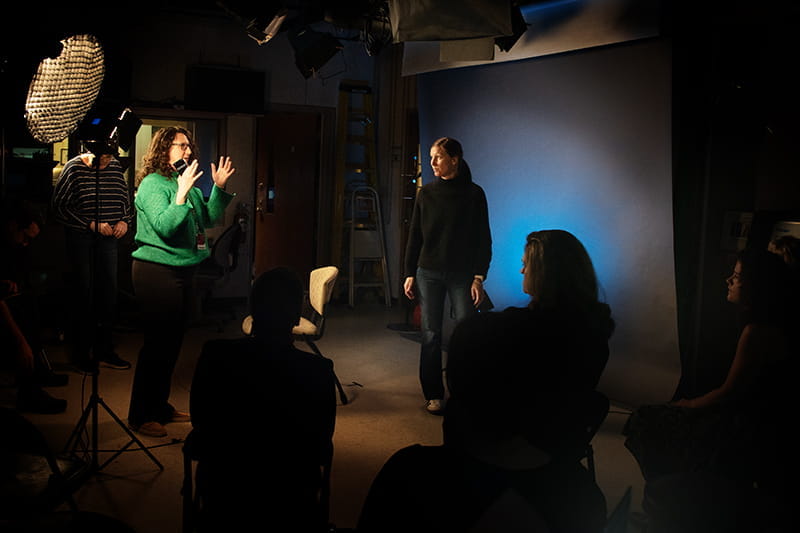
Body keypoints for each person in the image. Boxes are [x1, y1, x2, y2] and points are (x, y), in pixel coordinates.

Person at [359, 230, 613, 532]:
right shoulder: (594, 337)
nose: (521, 270)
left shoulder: (516, 334)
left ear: (546, 273)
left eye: (526, 264)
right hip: (555, 450)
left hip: (507, 453)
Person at [624, 248, 795, 532]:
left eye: (737, 276)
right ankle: (669, 503)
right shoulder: (767, 326)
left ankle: (672, 506)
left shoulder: (758, 332)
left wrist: (687, 406)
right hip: (758, 422)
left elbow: (730, 392)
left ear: (758, 287)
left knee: (646, 421)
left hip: (753, 429)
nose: (729, 280)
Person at [189, 267, 337, 532]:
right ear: (295, 316)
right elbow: (322, 438)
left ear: (252, 309)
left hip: (223, 490)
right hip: (293, 495)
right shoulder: (319, 371)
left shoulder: (215, 355)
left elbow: (199, 419)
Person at [127, 126, 236, 438]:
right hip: (156, 273)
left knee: (172, 345)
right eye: (182, 146)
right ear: (164, 149)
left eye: (190, 146)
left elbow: (209, 219)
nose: (189, 152)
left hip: (185, 270)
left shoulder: (181, 180)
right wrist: (181, 195)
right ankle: (139, 414)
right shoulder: (152, 184)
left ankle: (159, 406)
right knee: (156, 346)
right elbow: (165, 228)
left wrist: (217, 188)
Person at [402, 137, 492, 415]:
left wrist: (478, 277)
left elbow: (483, 238)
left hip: (462, 273)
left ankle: (465, 390)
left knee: (466, 334)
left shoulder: (474, 194)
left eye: (438, 157)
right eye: (431, 158)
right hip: (427, 271)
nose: (432, 164)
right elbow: (414, 236)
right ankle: (434, 394)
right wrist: (408, 274)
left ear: (454, 158)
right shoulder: (426, 194)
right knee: (430, 334)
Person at [52, 150, 133, 372]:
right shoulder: (73, 168)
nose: (105, 163)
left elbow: (124, 200)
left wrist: (124, 221)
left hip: (109, 239)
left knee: (108, 294)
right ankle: (81, 354)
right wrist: (90, 223)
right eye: (101, 159)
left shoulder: (115, 166)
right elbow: (59, 207)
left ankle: (104, 351)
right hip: (81, 238)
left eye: (108, 159)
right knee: (83, 294)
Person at [1, 199, 68, 414]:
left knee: (29, 299)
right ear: (14, 226)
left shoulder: (14, 245)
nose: (25, 244)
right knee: (22, 312)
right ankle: (29, 391)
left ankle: (38, 370)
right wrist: (22, 343)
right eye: (25, 237)